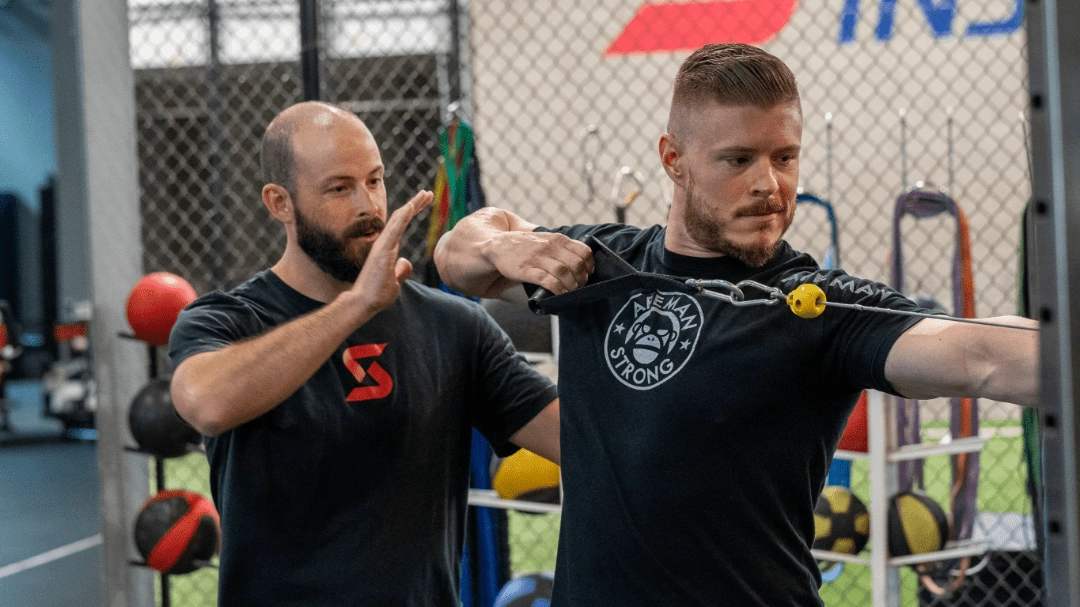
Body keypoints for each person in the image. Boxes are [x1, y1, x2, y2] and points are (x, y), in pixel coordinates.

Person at [434, 44, 1038, 606]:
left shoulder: (819, 308)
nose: (768, 184)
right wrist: (502, 245)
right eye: (738, 160)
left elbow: (981, 356)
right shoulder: (598, 266)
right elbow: (456, 255)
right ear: (673, 160)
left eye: (784, 158)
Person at [168, 101, 560, 607]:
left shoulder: (454, 326)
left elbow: (577, 437)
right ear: (279, 202)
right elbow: (204, 401)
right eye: (339, 188)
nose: (368, 206)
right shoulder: (227, 321)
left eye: (374, 181)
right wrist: (356, 306)